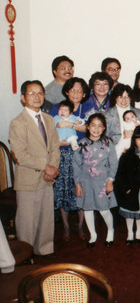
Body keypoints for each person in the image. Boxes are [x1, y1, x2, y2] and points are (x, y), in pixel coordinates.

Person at [9, 80, 60, 256]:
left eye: (40, 93)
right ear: (23, 98)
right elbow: (20, 155)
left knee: (46, 216)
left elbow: (54, 146)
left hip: (48, 175)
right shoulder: (18, 123)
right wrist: (46, 166)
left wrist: (53, 167)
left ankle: (44, 249)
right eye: (32, 93)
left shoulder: (48, 119)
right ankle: (26, 253)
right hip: (29, 177)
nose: (36, 97)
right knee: (27, 220)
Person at [49, 77, 90, 242]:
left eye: (79, 91)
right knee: (63, 188)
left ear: (84, 93)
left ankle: (80, 224)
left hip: (81, 153)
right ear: (66, 91)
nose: (76, 93)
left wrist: (70, 125)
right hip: (61, 154)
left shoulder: (87, 108)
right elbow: (50, 128)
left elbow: (90, 128)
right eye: (72, 90)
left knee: (81, 189)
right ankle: (66, 225)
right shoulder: (57, 108)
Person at [73, 113, 118, 248]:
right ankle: (93, 234)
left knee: (104, 209)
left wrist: (110, 180)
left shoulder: (108, 143)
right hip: (86, 181)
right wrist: (77, 184)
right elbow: (76, 164)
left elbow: (114, 163)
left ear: (104, 128)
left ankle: (110, 230)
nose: (96, 129)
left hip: (102, 182)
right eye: (93, 125)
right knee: (88, 209)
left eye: (100, 126)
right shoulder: (81, 144)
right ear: (87, 127)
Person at [114, 125, 140, 245]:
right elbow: (120, 175)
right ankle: (129, 233)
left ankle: (138, 231)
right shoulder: (127, 155)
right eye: (139, 139)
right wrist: (125, 188)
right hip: (132, 188)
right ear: (134, 140)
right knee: (130, 211)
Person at [104, 84, 140, 149]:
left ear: (130, 98)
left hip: (136, 148)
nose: (124, 100)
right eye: (120, 97)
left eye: (126, 97)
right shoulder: (108, 115)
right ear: (115, 98)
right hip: (115, 149)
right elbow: (104, 137)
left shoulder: (138, 112)